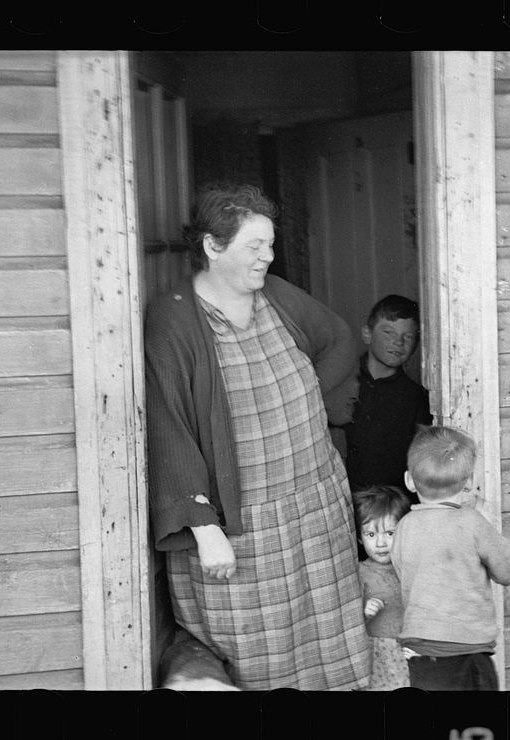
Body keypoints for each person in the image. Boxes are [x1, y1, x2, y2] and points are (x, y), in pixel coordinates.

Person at [144, 183, 370, 690]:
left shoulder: (276, 293)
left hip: (313, 506)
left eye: (270, 244)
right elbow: (168, 426)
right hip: (244, 525)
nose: (268, 256)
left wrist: (310, 393)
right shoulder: (174, 319)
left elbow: (337, 339)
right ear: (212, 246)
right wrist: (203, 527)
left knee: (327, 635)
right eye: (255, 246)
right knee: (256, 651)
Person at [390, 426, 510, 691]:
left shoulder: (404, 526)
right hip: (468, 651)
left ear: (408, 480)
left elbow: (402, 572)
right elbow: (509, 572)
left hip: (420, 653)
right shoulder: (471, 522)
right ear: (467, 481)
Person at [343, 295, 432, 499]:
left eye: (407, 337)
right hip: (344, 499)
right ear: (367, 334)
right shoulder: (341, 381)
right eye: (388, 332)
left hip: (392, 505)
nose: (398, 342)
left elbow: (422, 458)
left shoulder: (416, 397)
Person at [354, 485, 413, 691]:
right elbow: (349, 621)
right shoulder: (359, 573)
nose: (380, 543)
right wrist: (365, 612)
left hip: (408, 652)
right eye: (371, 535)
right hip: (375, 655)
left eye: (389, 533)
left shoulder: (410, 569)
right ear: (360, 538)